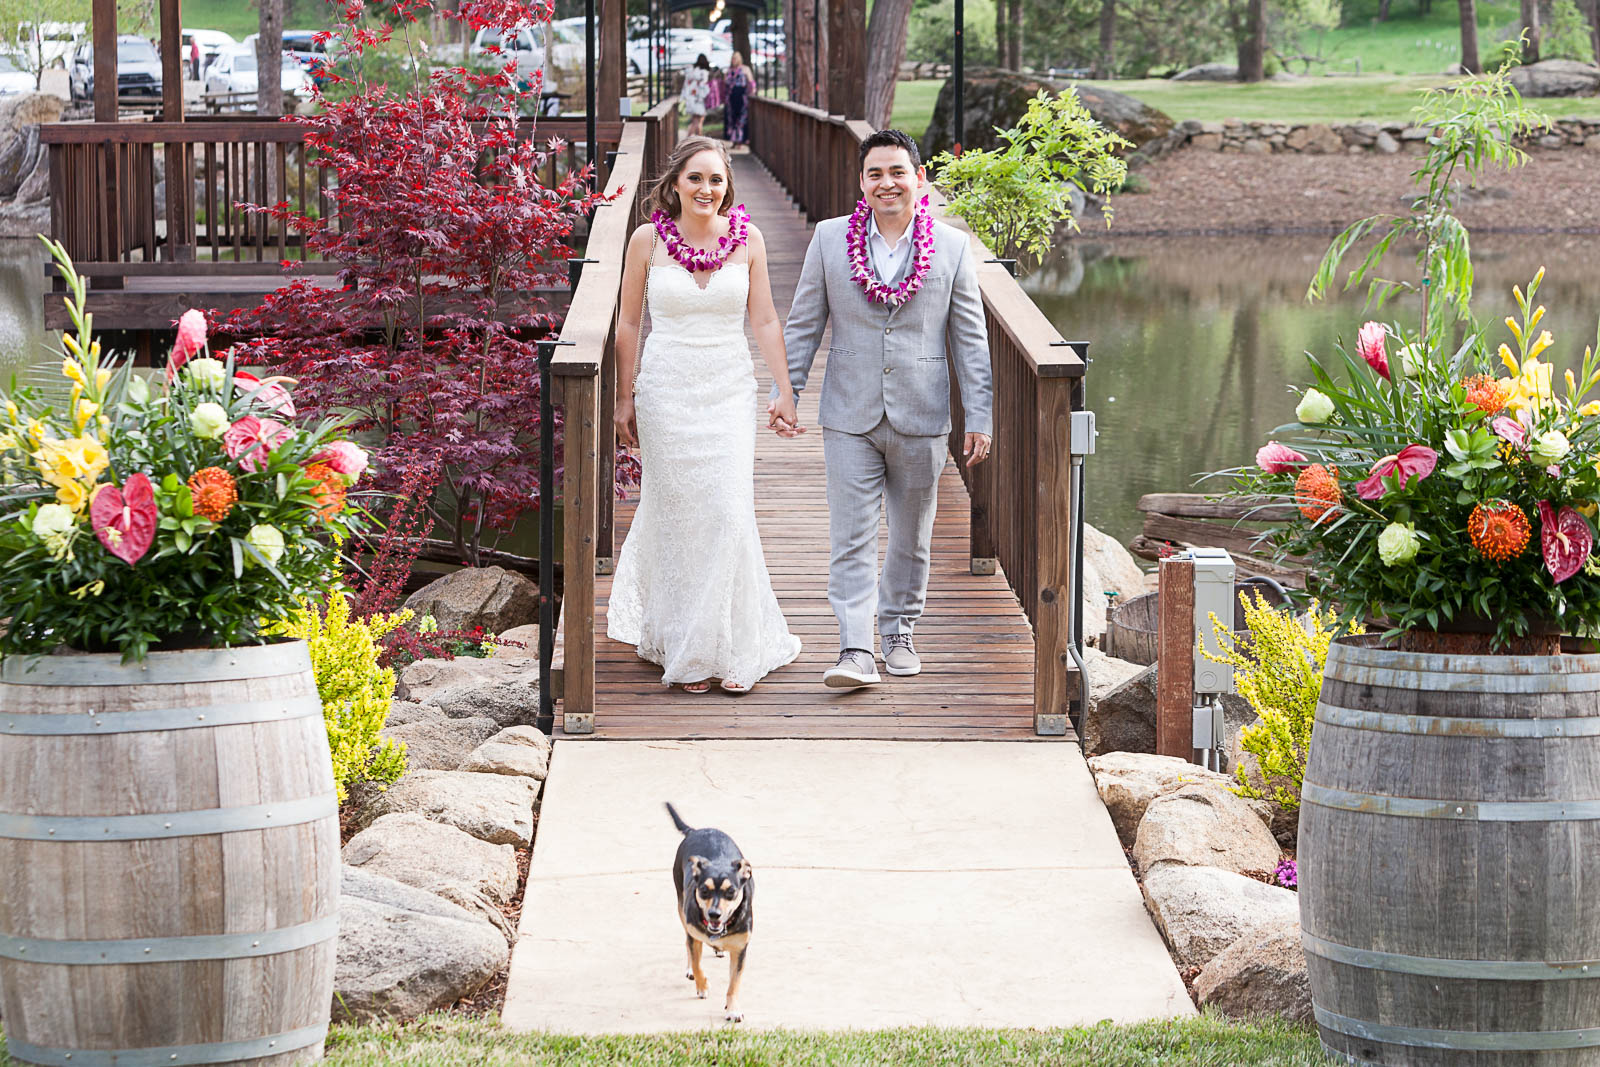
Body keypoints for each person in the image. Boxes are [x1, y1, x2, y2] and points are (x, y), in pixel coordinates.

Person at [772, 128, 993, 689]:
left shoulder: (951, 246)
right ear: (861, 183)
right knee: (850, 534)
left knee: (912, 537)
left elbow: (970, 339)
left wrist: (981, 416)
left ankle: (898, 628)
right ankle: (855, 647)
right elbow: (803, 324)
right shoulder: (828, 239)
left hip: (922, 414)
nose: (886, 183)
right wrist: (788, 390)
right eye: (875, 174)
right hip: (848, 411)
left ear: (920, 179)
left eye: (897, 172)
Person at [609, 136, 804, 694]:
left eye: (716, 180)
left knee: (726, 508)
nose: (706, 189)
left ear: (728, 187)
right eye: (695, 178)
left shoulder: (750, 240)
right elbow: (627, 325)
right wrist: (625, 396)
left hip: (727, 389)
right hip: (667, 388)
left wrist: (784, 390)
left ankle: (733, 643)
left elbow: (764, 320)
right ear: (674, 184)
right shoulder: (647, 240)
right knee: (677, 512)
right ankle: (689, 649)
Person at [722, 52, 754, 148]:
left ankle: (740, 140)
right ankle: (733, 140)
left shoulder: (745, 69)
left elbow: (751, 82)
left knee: (741, 118)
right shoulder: (729, 70)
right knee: (731, 118)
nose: (733, 60)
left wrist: (751, 93)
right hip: (731, 98)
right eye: (733, 58)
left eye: (735, 58)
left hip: (741, 97)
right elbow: (724, 84)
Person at [682, 54, 712, 138]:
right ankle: (693, 139)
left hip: (692, 100)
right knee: (698, 122)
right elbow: (704, 85)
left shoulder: (693, 72)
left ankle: (694, 138)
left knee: (695, 121)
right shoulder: (704, 73)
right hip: (699, 100)